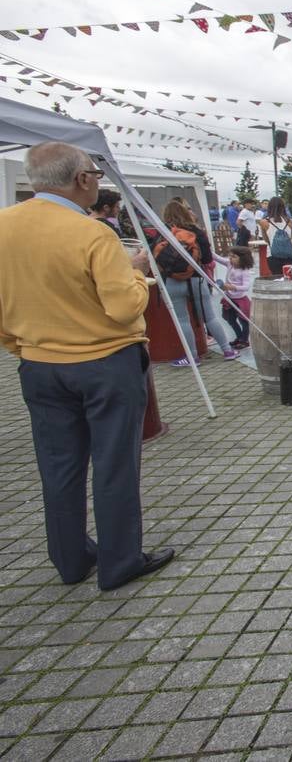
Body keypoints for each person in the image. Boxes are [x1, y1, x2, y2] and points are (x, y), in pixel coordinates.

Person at [0, 142, 175, 590]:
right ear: (81, 179)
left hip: (39, 364)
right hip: (104, 363)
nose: (98, 181)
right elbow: (123, 308)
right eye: (96, 174)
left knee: (58, 467)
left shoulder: (3, 226)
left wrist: (23, 346)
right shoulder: (94, 234)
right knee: (114, 463)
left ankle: (71, 559)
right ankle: (120, 561)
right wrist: (136, 272)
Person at [154, 200, 238, 365]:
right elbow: (207, 258)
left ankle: (192, 357)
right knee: (210, 316)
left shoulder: (162, 232)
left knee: (183, 320)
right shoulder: (197, 232)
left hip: (173, 281)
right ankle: (227, 350)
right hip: (197, 279)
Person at [216, 244, 255, 349]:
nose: (230, 258)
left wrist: (232, 287)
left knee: (244, 321)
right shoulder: (229, 264)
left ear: (243, 259)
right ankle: (239, 337)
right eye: (230, 256)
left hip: (240, 300)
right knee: (230, 319)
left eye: (234, 256)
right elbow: (217, 258)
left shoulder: (244, 271)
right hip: (229, 298)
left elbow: (246, 287)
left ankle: (244, 340)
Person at [259, 197, 292, 278]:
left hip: (273, 255)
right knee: (291, 280)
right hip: (290, 253)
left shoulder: (264, 222)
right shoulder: (290, 221)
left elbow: (266, 240)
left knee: (278, 280)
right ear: (283, 207)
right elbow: (290, 237)